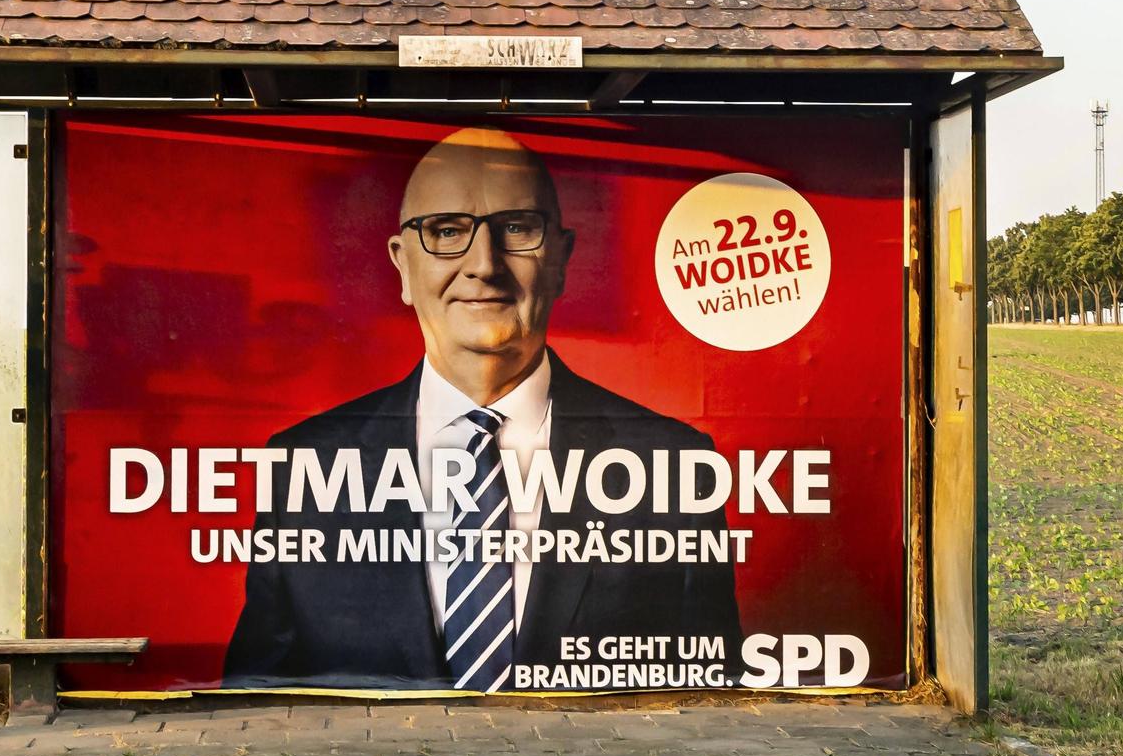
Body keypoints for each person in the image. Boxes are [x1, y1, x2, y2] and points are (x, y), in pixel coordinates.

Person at [220, 127, 739, 689]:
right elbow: (257, 701)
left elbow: (708, 699)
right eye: (446, 231)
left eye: (516, 227)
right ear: (402, 265)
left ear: (561, 259)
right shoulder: (302, 462)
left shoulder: (674, 460)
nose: (483, 264)